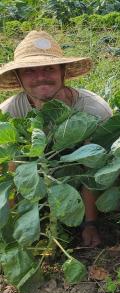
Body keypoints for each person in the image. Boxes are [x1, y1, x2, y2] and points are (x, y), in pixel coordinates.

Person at [0, 31, 112, 247]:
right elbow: (9, 170)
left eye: (49, 68)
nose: (40, 76)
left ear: (63, 72)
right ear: (19, 77)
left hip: (80, 185)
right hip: (33, 189)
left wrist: (89, 224)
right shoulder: (9, 113)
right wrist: (13, 223)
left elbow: (96, 170)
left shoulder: (93, 110)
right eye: (30, 71)